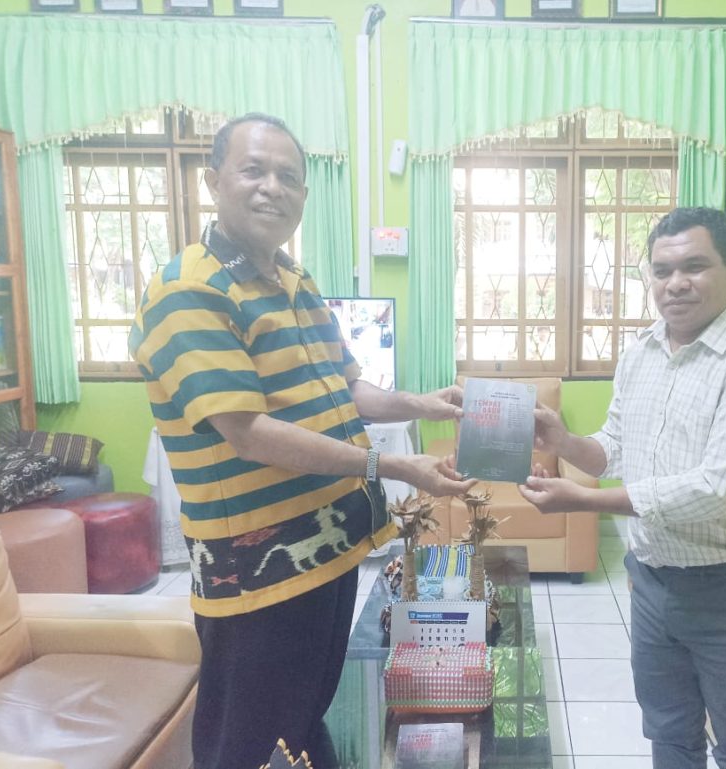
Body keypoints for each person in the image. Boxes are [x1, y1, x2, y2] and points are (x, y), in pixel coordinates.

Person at [129, 113, 475, 769]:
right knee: (248, 742)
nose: (273, 188)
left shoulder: (295, 281)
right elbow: (248, 433)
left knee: (303, 718)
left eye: (289, 176)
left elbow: (348, 388)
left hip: (328, 547)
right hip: (256, 571)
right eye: (254, 170)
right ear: (213, 181)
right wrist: (391, 463)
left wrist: (423, 402)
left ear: (306, 196)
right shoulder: (189, 289)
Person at [519, 207, 726, 769]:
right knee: (669, 734)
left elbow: (715, 489)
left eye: (694, 266)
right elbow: (614, 447)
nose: (675, 283)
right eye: (661, 270)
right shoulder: (641, 353)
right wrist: (564, 441)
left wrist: (586, 501)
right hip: (652, 583)